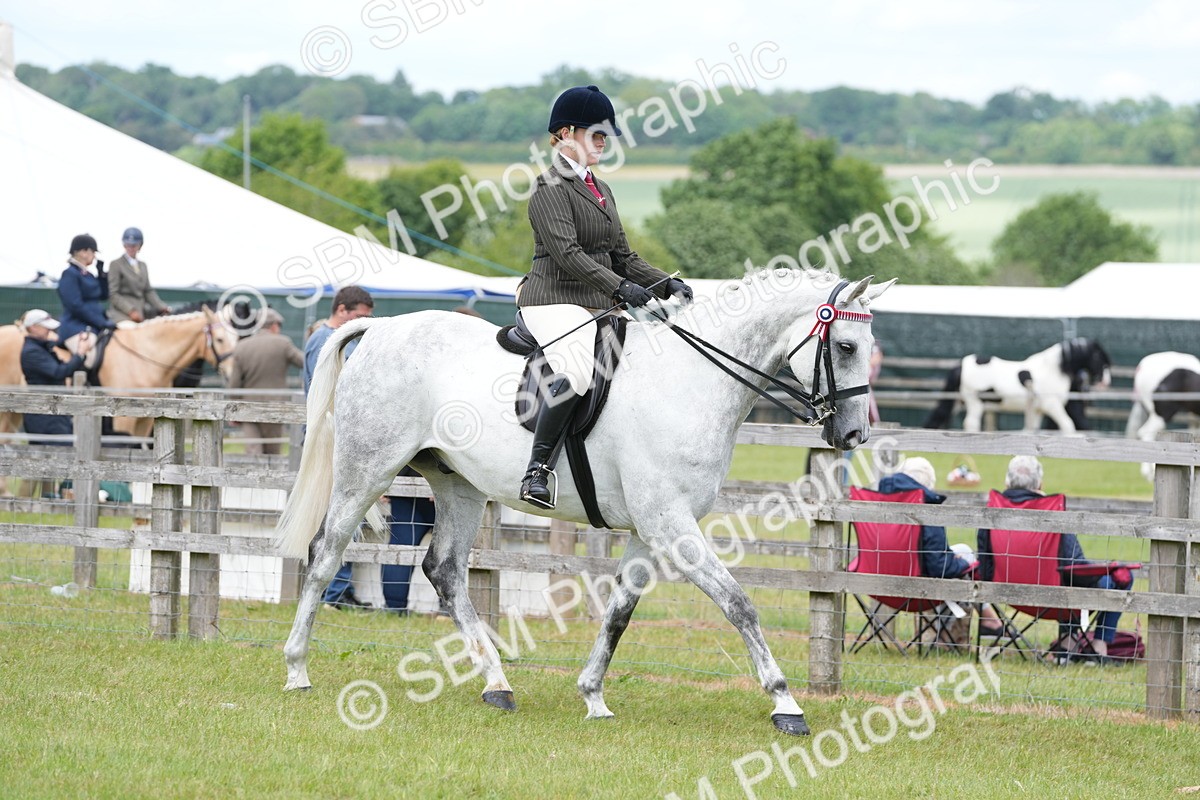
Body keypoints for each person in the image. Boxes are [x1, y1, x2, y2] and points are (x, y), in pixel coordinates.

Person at [517, 84, 693, 508]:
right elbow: (569, 255)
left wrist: (663, 282)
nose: (602, 142)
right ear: (565, 134)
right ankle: (536, 471)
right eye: (595, 133)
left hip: (596, 301)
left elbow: (622, 255)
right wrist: (619, 287)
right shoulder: (549, 187)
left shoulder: (600, 189)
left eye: (604, 135)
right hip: (552, 299)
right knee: (577, 372)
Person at [976, 455, 1132, 657]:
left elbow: (984, 565)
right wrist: (1109, 570)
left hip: (1004, 594)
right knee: (1118, 578)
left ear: (1007, 482)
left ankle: (1069, 641)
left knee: (1067, 578)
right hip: (1054, 600)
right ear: (1040, 483)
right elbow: (1075, 566)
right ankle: (1098, 646)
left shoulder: (993, 508)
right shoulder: (1052, 510)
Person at [304, 286, 375, 610]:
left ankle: (337, 589)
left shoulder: (341, 338)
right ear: (343, 310)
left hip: (342, 432)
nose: (365, 323)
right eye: (360, 316)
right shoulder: (325, 339)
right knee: (336, 513)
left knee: (344, 513)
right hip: (332, 434)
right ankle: (332, 591)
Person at [20, 309, 94, 496]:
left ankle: (46, 498)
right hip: (43, 416)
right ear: (33, 328)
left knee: (43, 462)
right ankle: (24, 503)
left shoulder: (41, 348)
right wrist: (79, 354)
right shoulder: (32, 352)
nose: (48, 332)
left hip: (49, 414)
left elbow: (60, 369)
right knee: (52, 458)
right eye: (44, 328)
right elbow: (59, 372)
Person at [227, 308, 303, 455]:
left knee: (253, 451)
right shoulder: (283, 343)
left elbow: (234, 384)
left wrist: (233, 411)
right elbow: (305, 362)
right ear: (274, 325)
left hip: (248, 407)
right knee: (272, 452)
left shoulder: (242, 346)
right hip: (275, 407)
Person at [56, 233, 115, 359]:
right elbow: (75, 305)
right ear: (83, 252)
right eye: (93, 252)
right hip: (76, 327)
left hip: (93, 325)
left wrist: (102, 275)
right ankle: (80, 379)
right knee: (90, 357)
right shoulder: (69, 274)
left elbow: (103, 296)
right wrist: (100, 322)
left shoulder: (88, 275)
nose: (94, 256)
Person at [106, 227, 171, 323]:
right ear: (124, 245)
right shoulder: (116, 264)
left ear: (140, 246)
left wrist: (161, 307)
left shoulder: (143, 266)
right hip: (122, 313)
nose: (131, 248)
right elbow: (114, 294)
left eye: (134, 245)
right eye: (128, 245)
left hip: (142, 311)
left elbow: (148, 291)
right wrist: (131, 311)